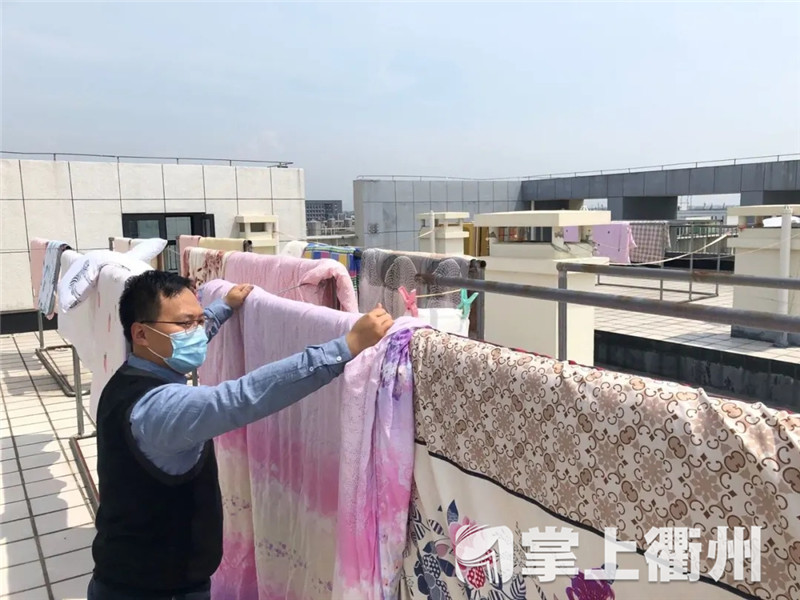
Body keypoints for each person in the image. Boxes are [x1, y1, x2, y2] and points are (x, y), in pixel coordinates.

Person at [87, 270, 393, 600]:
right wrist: (346, 346)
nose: (196, 333)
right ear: (141, 334)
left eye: (199, 321)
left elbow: (191, 335)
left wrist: (224, 307)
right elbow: (242, 397)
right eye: (186, 324)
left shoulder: (128, 376)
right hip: (153, 589)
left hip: (130, 572)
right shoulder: (159, 409)